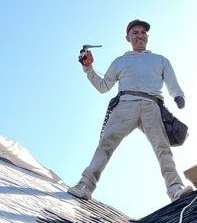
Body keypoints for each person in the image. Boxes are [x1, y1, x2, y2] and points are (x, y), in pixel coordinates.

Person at [68, 19, 189, 202]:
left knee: (163, 149)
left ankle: (175, 188)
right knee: (106, 144)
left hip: (152, 105)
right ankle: (85, 185)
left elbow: (172, 83)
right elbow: (103, 86)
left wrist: (178, 96)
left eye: (143, 32)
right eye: (135, 33)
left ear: (147, 36)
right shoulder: (120, 61)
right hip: (125, 105)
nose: (139, 35)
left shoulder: (160, 60)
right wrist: (88, 67)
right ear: (128, 38)